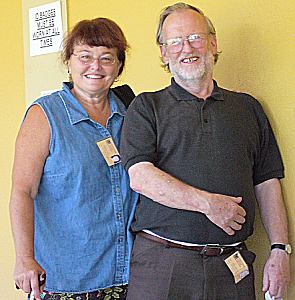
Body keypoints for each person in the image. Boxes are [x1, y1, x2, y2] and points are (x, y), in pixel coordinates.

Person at [120, 3, 290, 300]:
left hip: (232, 267)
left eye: (195, 37)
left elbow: (267, 182)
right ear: (163, 52)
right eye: (174, 41)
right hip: (163, 264)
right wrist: (208, 205)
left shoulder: (248, 108)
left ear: (213, 43)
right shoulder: (146, 107)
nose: (187, 48)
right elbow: (140, 177)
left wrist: (280, 249)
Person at [10, 17, 137, 300]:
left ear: (118, 67)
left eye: (106, 58)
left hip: (128, 276)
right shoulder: (44, 115)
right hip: (66, 279)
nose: (95, 66)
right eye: (85, 56)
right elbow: (22, 190)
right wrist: (24, 258)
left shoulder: (132, 115)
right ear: (69, 61)